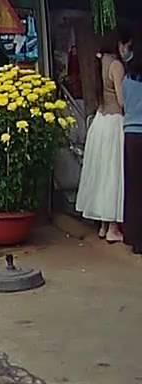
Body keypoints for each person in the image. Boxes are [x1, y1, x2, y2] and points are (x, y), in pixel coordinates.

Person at [77, 31, 127, 243]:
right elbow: (122, 100)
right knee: (113, 174)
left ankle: (103, 226)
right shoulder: (116, 65)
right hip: (115, 122)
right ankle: (113, 227)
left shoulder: (99, 61)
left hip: (99, 122)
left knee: (101, 173)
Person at [123, 27, 142, 254]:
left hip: (130, 135)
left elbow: (124, 104)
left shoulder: (127, 79)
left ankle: (135, 238)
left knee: (133, 188)